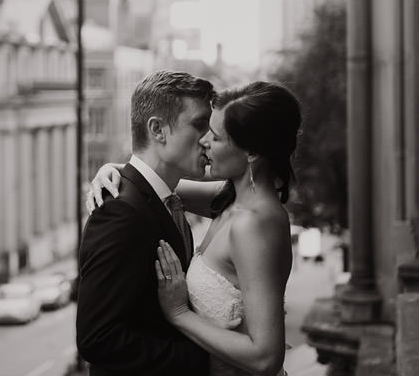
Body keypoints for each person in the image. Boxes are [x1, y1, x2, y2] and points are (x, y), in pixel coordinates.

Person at [88, 81, 300, 376]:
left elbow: (265, 358)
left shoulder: (254, 223)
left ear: (251, 151)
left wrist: (179, 315)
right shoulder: (229, 200)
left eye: (215, 136)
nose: (204, 142)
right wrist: (111, 171)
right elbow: (152, 186)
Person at [76, 70, 216, 375]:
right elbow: (97, 338)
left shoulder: (166, 199)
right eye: (199, 125)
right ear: (158, 130)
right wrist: (205, 363)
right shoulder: (120, 213)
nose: (209, 139)